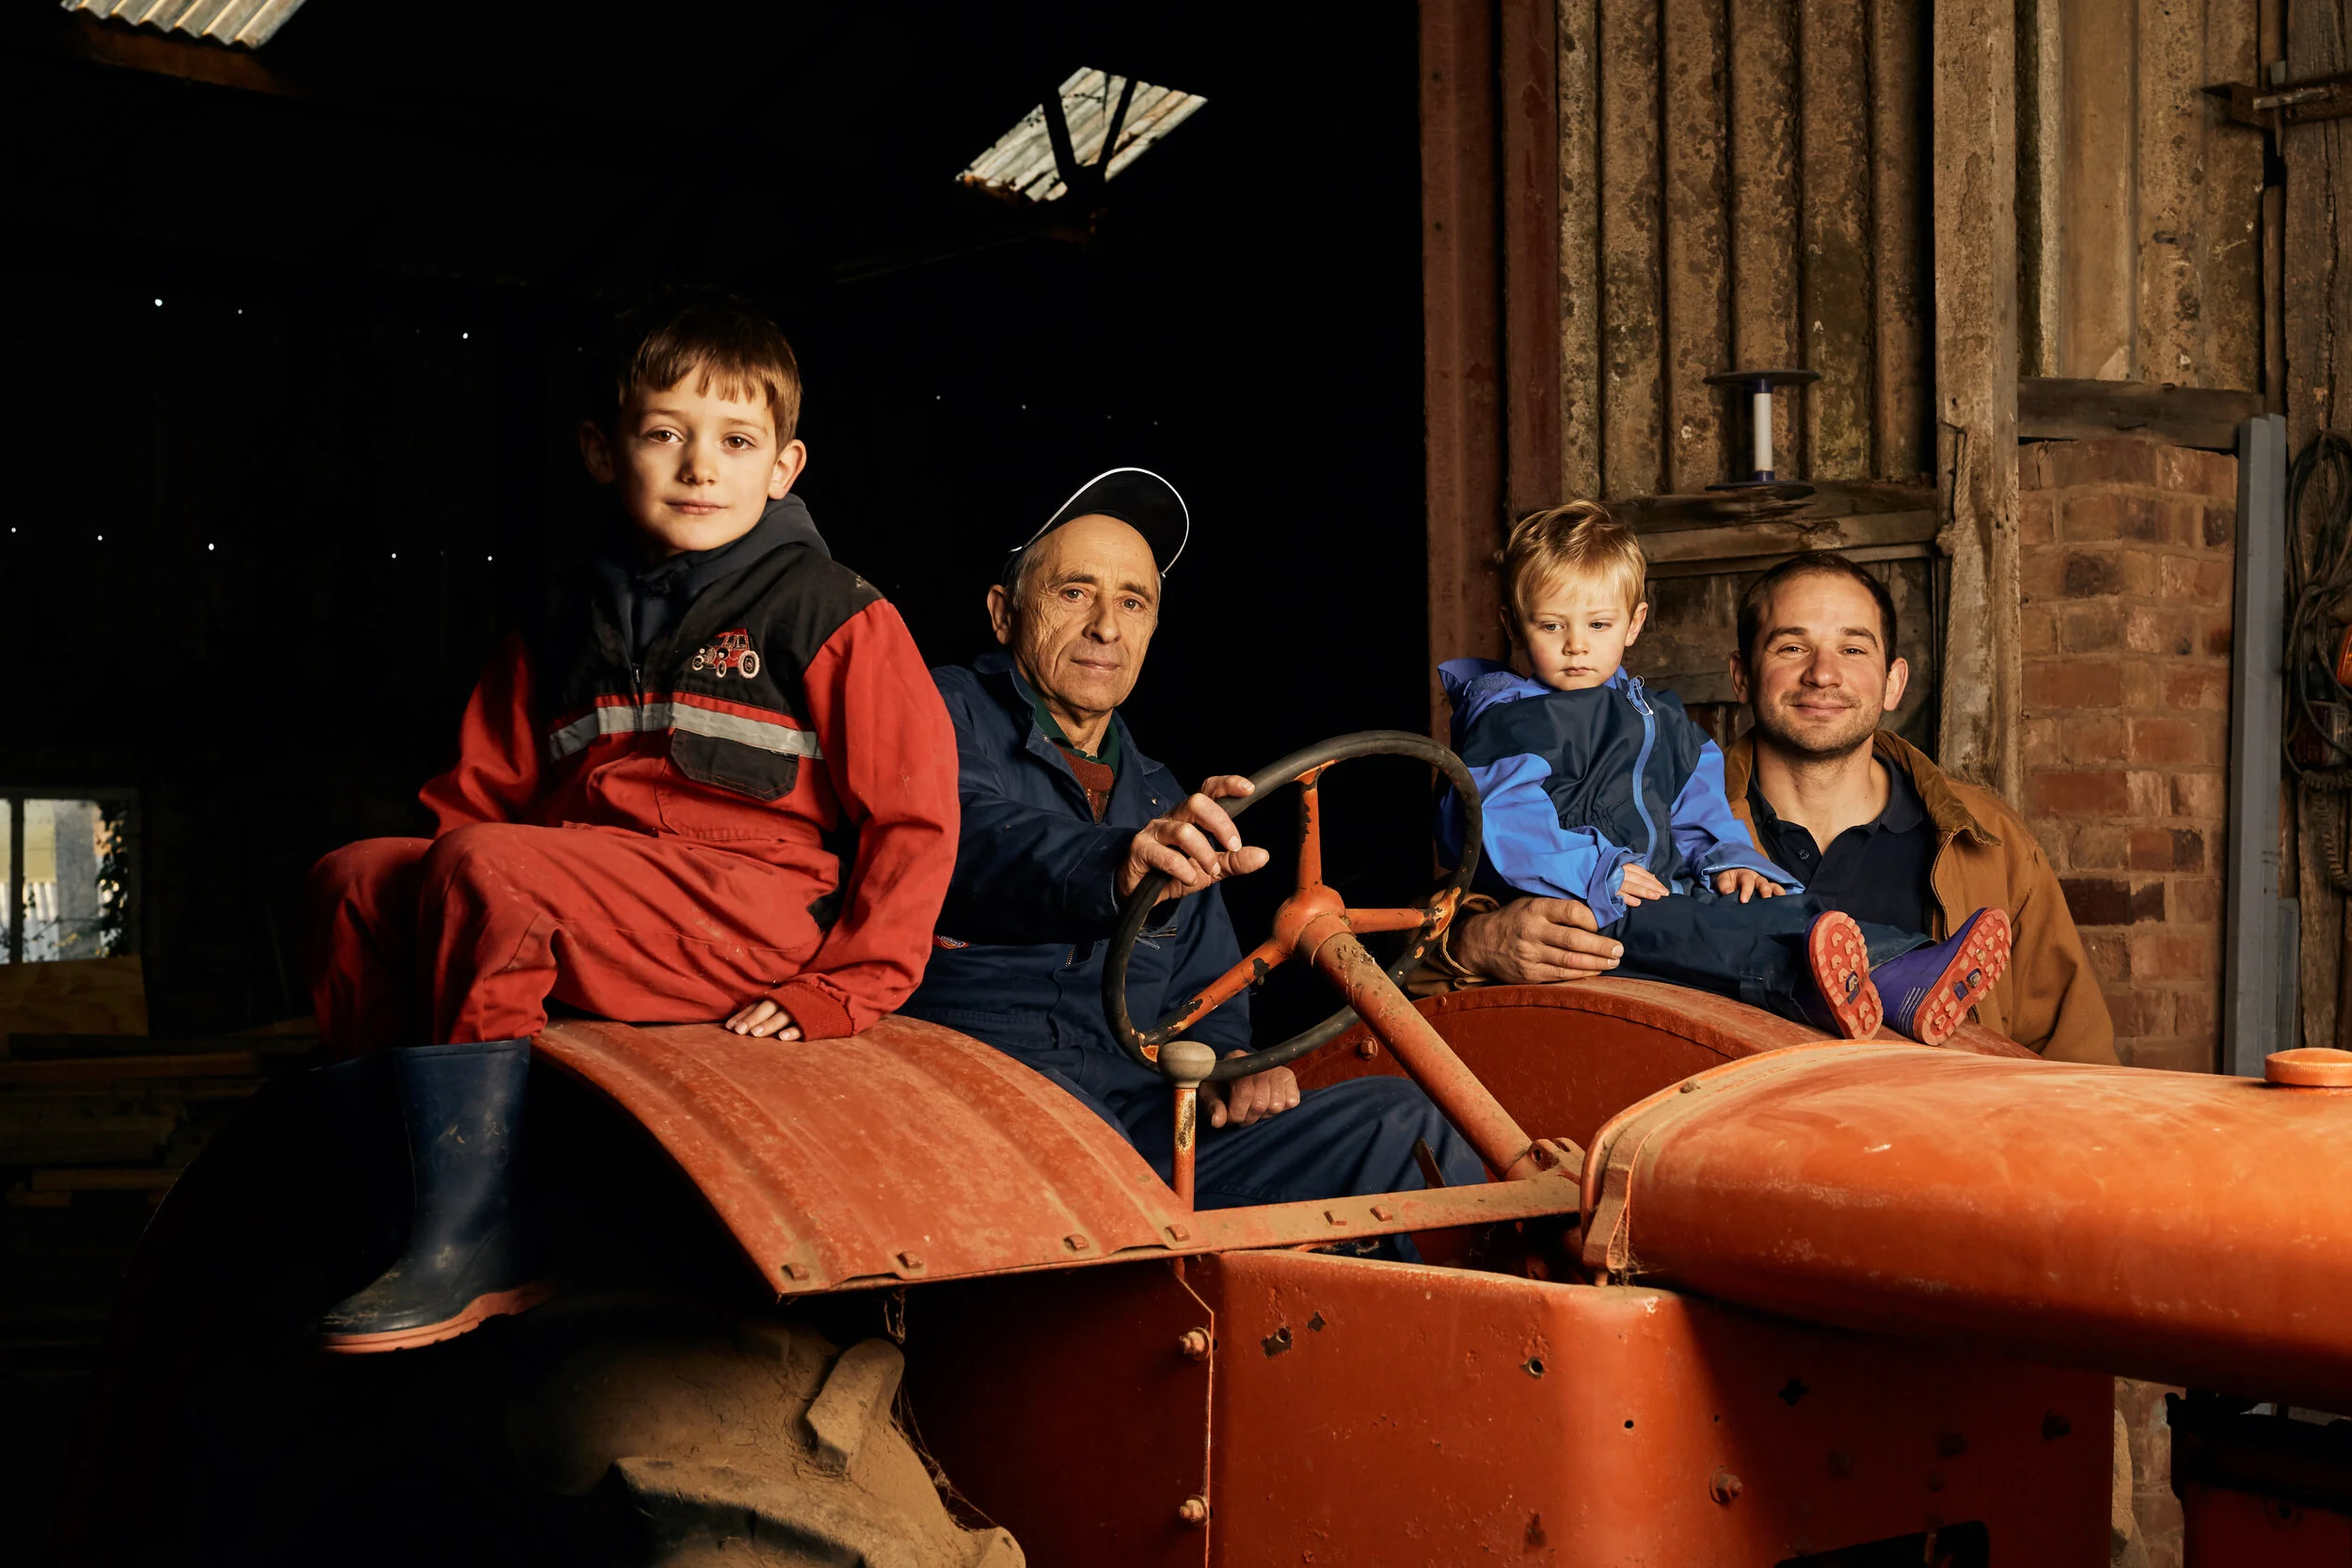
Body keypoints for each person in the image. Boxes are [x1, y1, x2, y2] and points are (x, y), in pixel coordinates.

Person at [303, 292, 959, 1351]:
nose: (702, 466)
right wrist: (414, 905)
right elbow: (474, 797)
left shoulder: (833, 611)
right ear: (604, 452)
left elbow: (916, 819)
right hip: (588, 885)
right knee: (352, 877)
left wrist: (846, 984)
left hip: (748, 912)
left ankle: (482, 1240)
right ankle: (401, 1195)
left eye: (737, 441)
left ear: (784, 467)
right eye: (666, 435)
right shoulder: (565, 617)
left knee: (490, 870)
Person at [900, 467, 1486, 1210]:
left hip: (1136, 1123)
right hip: (980, 1100)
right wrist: (1115, 863)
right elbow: (963, 834)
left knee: (1404, 1126)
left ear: (1151, 627)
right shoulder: (937, 710)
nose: (1106, 626)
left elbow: (1200, 994)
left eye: (1132, 602)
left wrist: (1234, 1062)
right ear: (1002, 612)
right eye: (1074, 592)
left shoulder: (1159, 793)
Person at [1437, 543, 2118, 1065]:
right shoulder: (1660, 818)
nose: (1824, 673)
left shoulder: (1986, 841)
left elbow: (2077, 1064)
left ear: (1892, 681)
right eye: (1792, 646)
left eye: (1853, 648)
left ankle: (1907, 969)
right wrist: (1474, 944)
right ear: (1740, 674)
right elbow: (1409, 961)